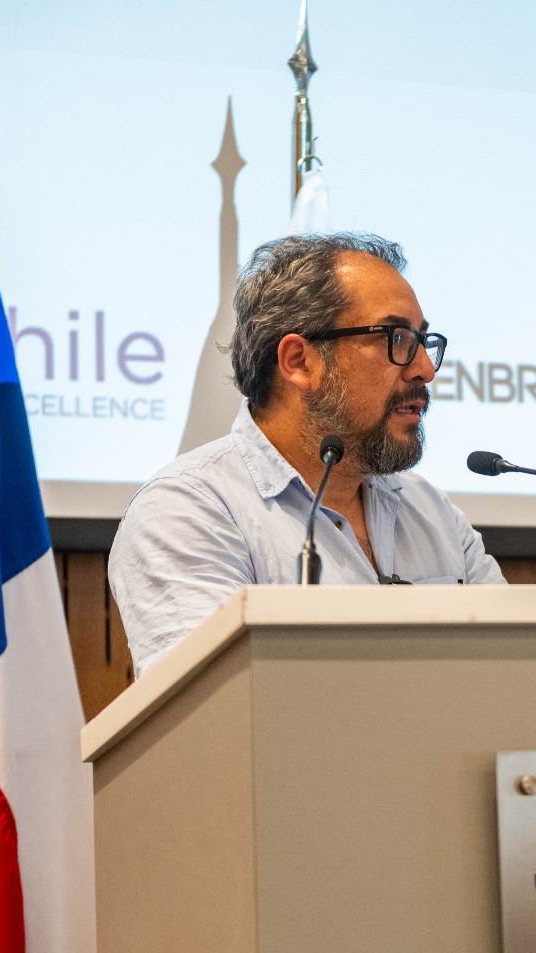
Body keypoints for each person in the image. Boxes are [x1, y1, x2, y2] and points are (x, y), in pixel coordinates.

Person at [109, 233, 504, 675]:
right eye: (396, 338)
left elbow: (511, 673)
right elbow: (213, 701)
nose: (425, 370)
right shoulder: (187, 512)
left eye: (422, 341)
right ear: (298, 361)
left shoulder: (432, 512)